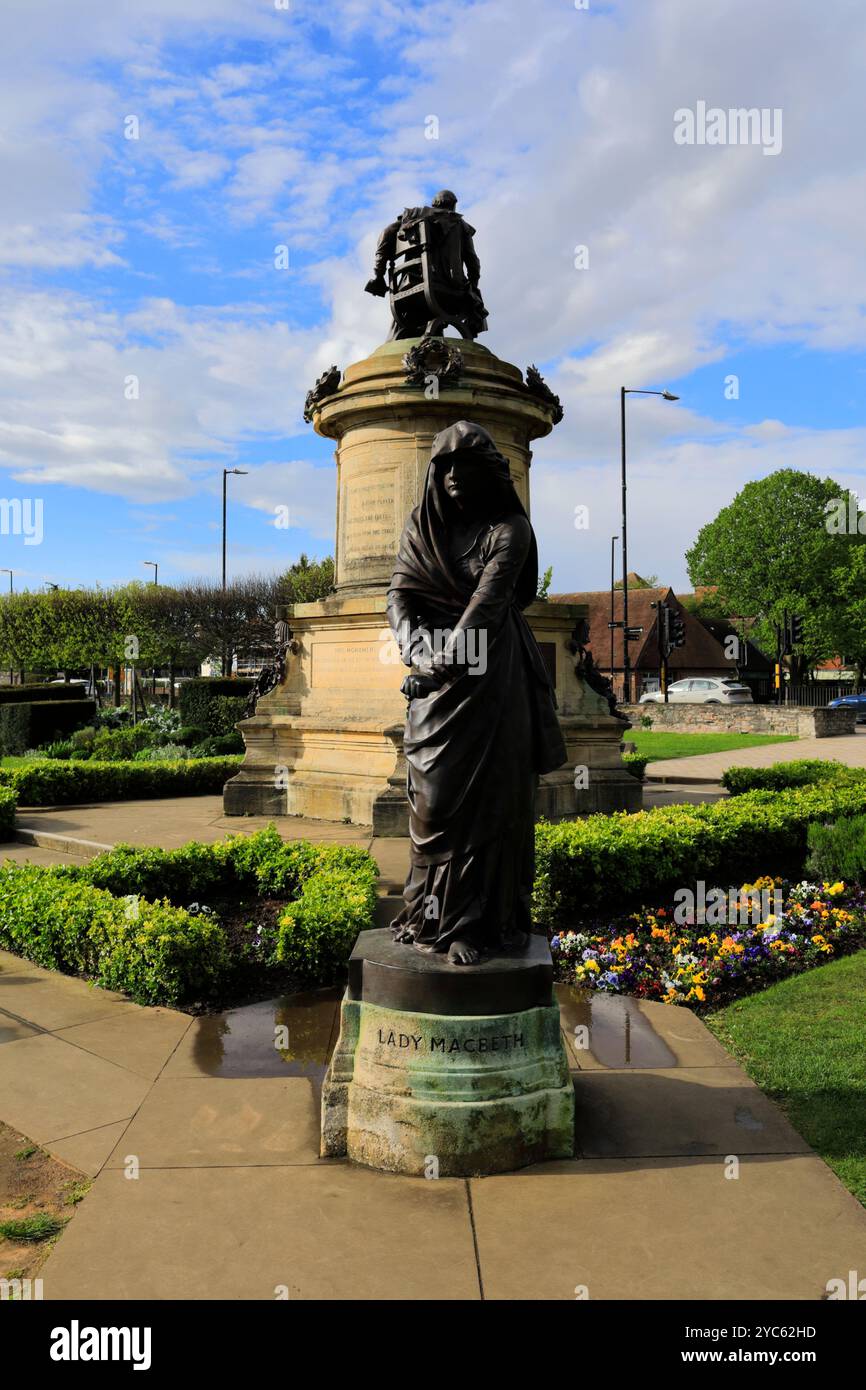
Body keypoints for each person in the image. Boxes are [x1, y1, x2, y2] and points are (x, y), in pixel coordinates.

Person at [386, 420, 566, 965]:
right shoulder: (423, 526)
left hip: (496, 678)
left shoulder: (510, 529)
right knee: (436, 801)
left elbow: (486, 608)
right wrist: (418, 653)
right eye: (445, 467)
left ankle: (477, 925)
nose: (455, 477)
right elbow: (398, 597)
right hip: (434, 679)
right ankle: (431, 917)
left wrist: (440, 668)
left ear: (491, 473)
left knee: (495, 803)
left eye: (467, 466)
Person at [365, 190, 488, 339]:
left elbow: (386, 234)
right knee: (474, 297)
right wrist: (474, 285)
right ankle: (471, 333)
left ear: (434, 204)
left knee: (410, 314)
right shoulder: (460, 224)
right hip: (450, 287)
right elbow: (473, 263)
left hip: (409, 284)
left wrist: (379, 274)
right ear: (453, 206)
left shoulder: (415, 214)